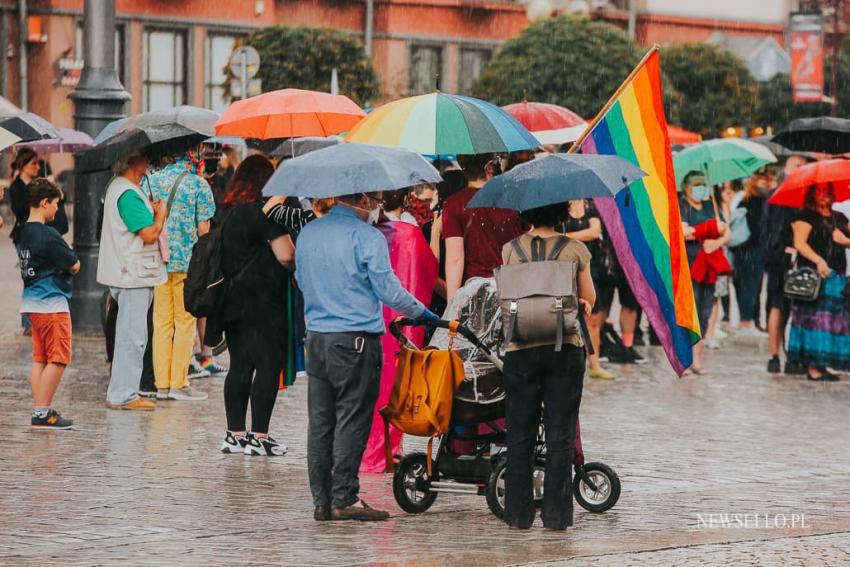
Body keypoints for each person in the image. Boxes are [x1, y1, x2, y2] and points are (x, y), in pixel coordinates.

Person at [296, 191, 438, 522]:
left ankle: (322, 499)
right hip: (355, 340)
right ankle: (344, 497)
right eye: (373, 200)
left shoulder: (309, 232)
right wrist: (422, 313)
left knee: (320, 421)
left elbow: (301, 280)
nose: (375, 206)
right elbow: (388, 290)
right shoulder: (367, 236)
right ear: (362, 198)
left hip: (316, 338)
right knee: (353, 418)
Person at [500, 202, 595, 531]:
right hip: (564, 347)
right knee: (560, 434)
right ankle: (555, 516)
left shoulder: (509, 250)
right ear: (561, 212)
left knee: (519, 434)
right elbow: (589, 297)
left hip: (520, 347)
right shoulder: (575, 249)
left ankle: (517, 514)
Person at [213, 155, 295, 456]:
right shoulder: (267, 214)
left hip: (233, 301)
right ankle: (259, 436)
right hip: (265, 302)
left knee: (240, 365)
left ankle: (234, 434)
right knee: (267, 366)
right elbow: (286, 255)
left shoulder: (229, 212)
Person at [360, 190, 438, 472]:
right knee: (397, 383)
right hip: (403, 317)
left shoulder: (368, 232)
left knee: (369, 385)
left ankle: (368, 449)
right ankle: (389, 447)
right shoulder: (411, 233)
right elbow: (427, 270)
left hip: (370, 318)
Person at [98, 152, 167, 411]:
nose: (148, 161)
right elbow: (148, 234)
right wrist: (161, 214)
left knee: (130, 334)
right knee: (132, 336)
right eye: (142, 158)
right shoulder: (127, 193)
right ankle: (123, 394)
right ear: (130, 162)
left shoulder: (123, 189)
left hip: (129, 271)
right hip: (133, 274)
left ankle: (124, 390)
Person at [149, 151, 216, 401]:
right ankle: (179, 381)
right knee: (185, 321)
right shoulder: (198, 184)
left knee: (162, 323)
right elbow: (203, 229)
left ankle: (162, 385)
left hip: (159, 261)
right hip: (188, 264)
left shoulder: (152, 181)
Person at [18, 178, 80, 429]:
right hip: (52, 303)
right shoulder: (49, 235)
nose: (57, 209)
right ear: (44, 203)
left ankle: (40, 407)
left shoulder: (24, 232)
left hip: (32, 303)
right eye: (55, 204)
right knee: (59, 358)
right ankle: (41, 412)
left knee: (40, 358)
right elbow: (74, 264)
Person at [442, 154, 527, 301]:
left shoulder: (453, 204)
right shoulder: (513, 199)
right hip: (514, 287)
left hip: (474, 292)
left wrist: (452, 304)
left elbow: (455, 258)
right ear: (489, 167)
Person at [787, 184, 850, 381]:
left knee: (833, 321)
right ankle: (812, 365)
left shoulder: (837, 217)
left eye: (829, 191)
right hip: (814, 275)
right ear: (812, 194)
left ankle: (824, 362)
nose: (826, 195)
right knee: (813, 319)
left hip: (836, 275)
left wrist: (845, 240)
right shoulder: (805, 215)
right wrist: (818, 260)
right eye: (821, 191)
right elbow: (799, 243)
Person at [680, 171, 731, 374]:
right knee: (687, 314)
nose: (701, 189)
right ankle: (683, 358)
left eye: (704, 185)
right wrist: (710, 229)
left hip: (709, 267)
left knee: (705, 312)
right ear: (687, 188)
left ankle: (696, 359)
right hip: (689, 266)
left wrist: (716, 240)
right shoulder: (682, 205)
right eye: (697, 185)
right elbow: (683, 232)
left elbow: (726, 231)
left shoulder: (711, 205)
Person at [765, 155, 810, 375]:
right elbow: (772, 232)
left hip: (795, 260)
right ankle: (775, 355)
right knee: (779, 307)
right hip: (782, 261)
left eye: (803, 166)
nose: (801, 169)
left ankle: (792, 355)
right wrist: (785, 248)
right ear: (786, 168)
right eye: (797, 166)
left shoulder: (802, 194)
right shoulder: (781, 195)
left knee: (794, 310)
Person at [559, 199, 612, 379]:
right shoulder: (559, 205)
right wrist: (580, 236)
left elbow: (595, 232)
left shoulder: (590, 206)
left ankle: (594, 364)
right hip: (562, 268)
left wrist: (568, 237)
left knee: (593, 317)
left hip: (589, 267)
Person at [730, 174, 769, 336]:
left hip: (739, 248)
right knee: (751, 285)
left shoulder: (743, 200)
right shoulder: (759, 202)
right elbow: (759, 229)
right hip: (753, 250)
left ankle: (746, 320)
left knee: (743, 284)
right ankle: (747, 321)